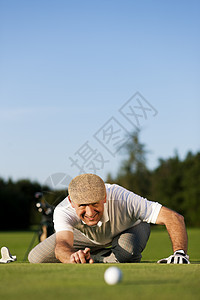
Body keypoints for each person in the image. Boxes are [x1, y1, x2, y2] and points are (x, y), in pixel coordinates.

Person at [28, 173, 190, 264]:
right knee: (36, 258)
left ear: (104, 197)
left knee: (127, 252)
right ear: (71, 202)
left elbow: (174, 218)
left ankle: (101, 257)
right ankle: (97, 257)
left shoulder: (122, 197)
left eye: (94, 204)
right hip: (88, 236)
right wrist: (72, 256)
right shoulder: (63, 210)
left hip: (129, 228)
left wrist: (180, 253)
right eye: (82, 206)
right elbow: (62, 245)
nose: (90, 212)